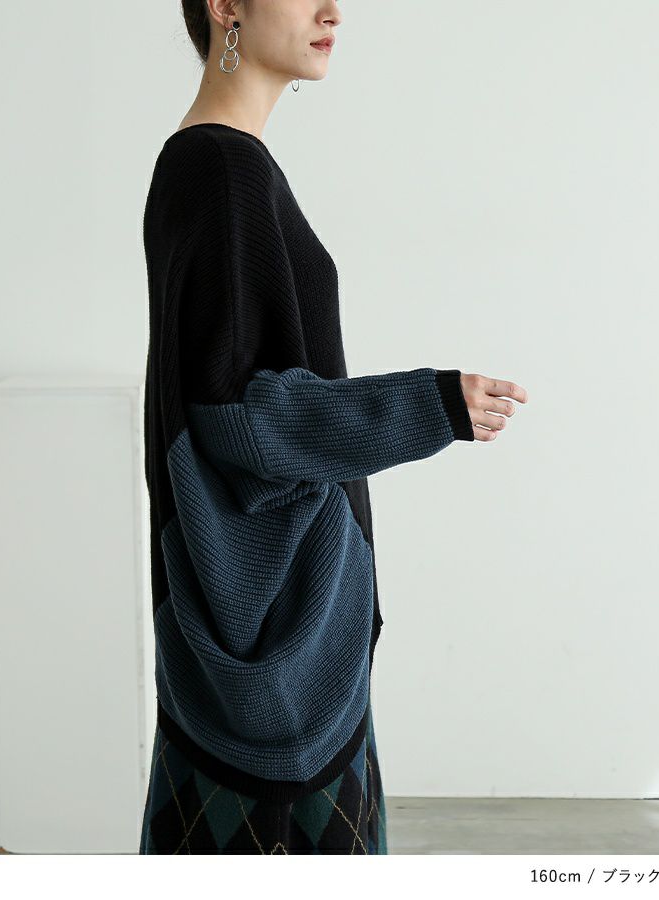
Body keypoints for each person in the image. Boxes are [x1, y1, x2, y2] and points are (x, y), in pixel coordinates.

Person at [139, 0, 528, 855]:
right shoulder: (223, 171)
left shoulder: (213, 163)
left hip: (268, 627)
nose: (333, 11)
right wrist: (429, 406)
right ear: (225, 6)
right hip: (281, 644)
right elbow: (241, 416)